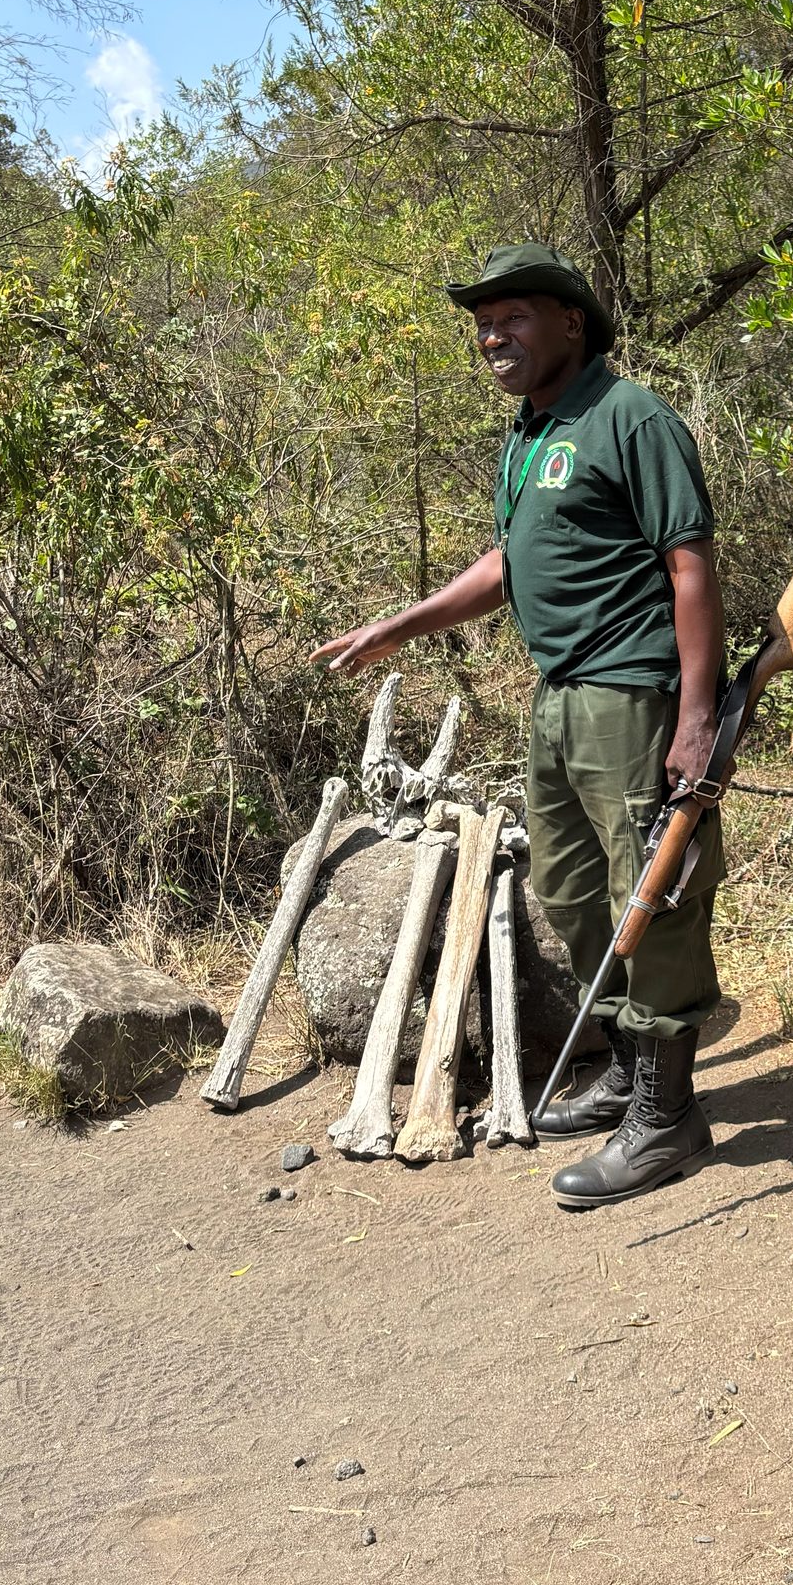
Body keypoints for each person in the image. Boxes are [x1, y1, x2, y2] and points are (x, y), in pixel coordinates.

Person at [312, 243, 726, 1208]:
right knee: (576, 892)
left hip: (633, 694)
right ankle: (627, 1069)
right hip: (558, 698)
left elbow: (690, 567)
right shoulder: (529, 434)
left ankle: (670, 1117)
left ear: (570, 322)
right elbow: (508, 563)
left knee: (649, 897)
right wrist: (399, 624)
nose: (493, 335)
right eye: (483, 323)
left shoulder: (631, 419)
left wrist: (696, 715)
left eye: (514, 317)